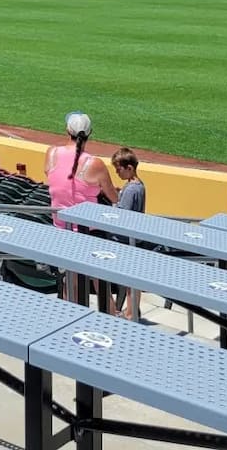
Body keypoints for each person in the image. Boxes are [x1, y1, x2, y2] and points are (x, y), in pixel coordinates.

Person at [44, 112, 118, 229]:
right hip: (88, 230)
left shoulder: (52, 153)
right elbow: (114, 198)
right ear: (90, 132)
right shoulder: (95, 163)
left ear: (67, 130)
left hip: (59, 226)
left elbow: (59, 181)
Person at [111, 148, 146, 318]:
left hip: (125, 239)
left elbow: (122, 214)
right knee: (132, 275)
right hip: (133, 237)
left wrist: (113, 205)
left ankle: (131, 312)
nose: (117, 172)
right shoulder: (138, 185)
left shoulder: (131, 189)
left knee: (128, 276)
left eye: (119, 169)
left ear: (129, 168)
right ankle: (131, 310)